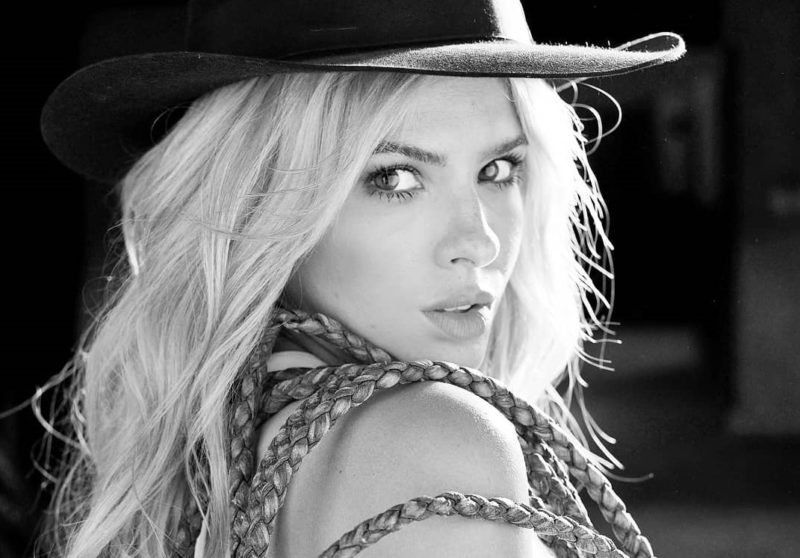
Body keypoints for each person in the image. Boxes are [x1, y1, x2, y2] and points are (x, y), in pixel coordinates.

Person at [36, 0, 685, 556]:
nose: (479, 242)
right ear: (257, 202)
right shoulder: (436, 439)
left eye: (497, 170)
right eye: (394, 178)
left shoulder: (218, 444)